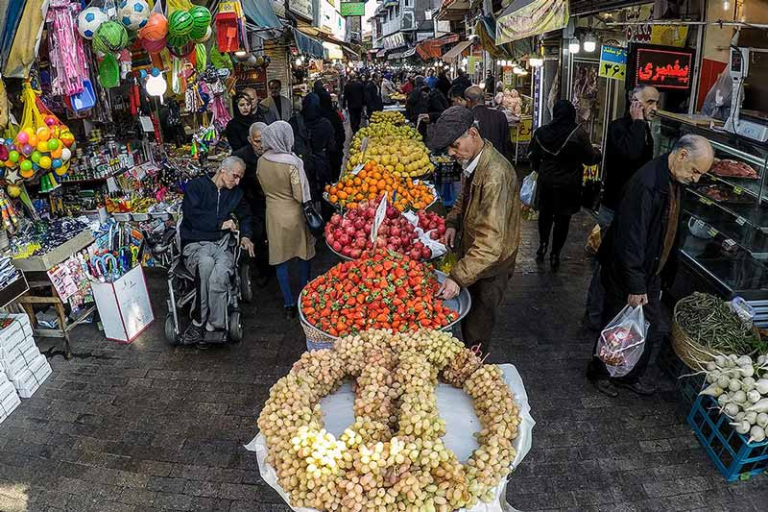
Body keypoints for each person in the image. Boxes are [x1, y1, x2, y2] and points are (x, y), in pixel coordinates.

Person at [587, 135, 714, 397]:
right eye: (695, 171)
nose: (696, 178)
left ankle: (629, 375)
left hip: (651, 270)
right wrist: (635, 284)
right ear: (682, 155)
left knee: (647, 327)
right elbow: (631, 238)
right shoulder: (646, 184)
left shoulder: (674, 179)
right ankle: (600, 373)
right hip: (627, 272)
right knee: (616, 326)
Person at [428, 107, 521, 352]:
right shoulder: (475, 161)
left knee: (477, 329)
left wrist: (457, 277)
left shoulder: (495, 176)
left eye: (455, 145)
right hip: (475, 260)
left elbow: (490, 245)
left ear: (472, 133)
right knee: (469, 318)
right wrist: (453, 222)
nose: (451, 153)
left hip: (490, 268)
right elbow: (465, 198)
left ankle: (475, 365)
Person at [584, 85, 659, 330]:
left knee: (621, 263)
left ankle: (609, 312)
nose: (654, 108)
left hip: (632, 208)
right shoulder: (618, 127)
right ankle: (594, 313)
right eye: (649, 102)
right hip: (614, 207)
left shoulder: (645, 129)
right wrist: (637, 122)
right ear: (635, 102)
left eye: (656, 102)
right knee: (606, 263)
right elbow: (630, 155)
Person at [180, 156, 256, 344]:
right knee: (205, 264)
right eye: (235, 176)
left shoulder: (235, 193)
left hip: (221, 244)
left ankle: (213, 324)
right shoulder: (196, 187)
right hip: (196, 243)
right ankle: (198, 320)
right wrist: (220, 224)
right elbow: (191, 216)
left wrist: (246, 236)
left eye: (240, 178)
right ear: (223, 170)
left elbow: (246, 215)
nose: (237, 182)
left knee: (220, 274)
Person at [529, 100, 602, 271]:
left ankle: (543, 245)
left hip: (546, 182)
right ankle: (555, 254)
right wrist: (597, 153)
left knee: (545, 216)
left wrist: (541, 170)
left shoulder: (542, 132)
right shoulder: (578, 133)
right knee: (563, 220)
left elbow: (533, 156)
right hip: (569, 185)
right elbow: (589, 159)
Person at [257, 122, 316, 319]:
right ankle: (305, 298)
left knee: (279, 258)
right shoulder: (292, 163)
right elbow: (299, 195)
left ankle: (288, 304)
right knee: (303, 254)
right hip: (294, 215)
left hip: (273, 214)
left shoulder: (261, 161)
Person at [233, 122, 271, 287]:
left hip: (271, 203)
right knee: (258, 237)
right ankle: (261, 271)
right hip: (252, 205)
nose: (261, 145)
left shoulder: (273, 153)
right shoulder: (240, 157)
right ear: (250, 139)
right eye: (257, 141)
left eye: (264, 140)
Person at [464, 86, 512, 163]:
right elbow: (507, 143)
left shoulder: (466, 117)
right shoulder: (499, 116)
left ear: (468, 100)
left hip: (475, 162)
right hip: (497, 161)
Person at [314, 80, 345, 182]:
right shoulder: (334, 115)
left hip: (320, 157)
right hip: (334, 152)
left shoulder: (314, 116)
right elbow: (341, 135)